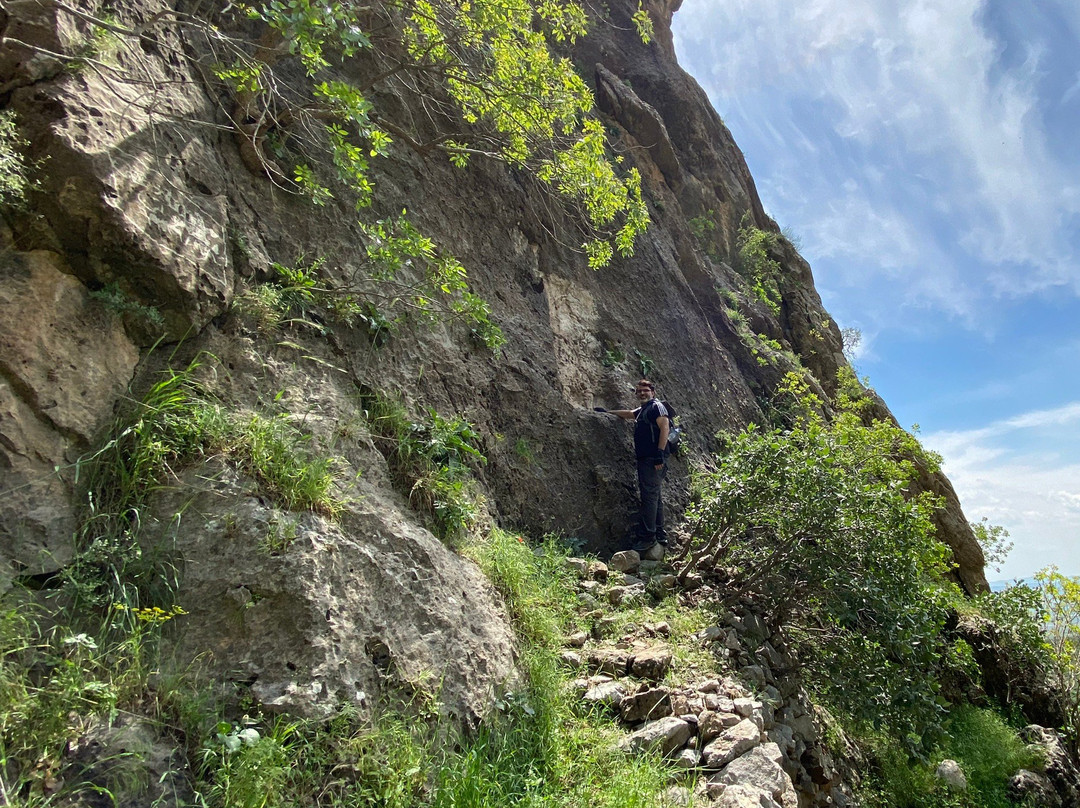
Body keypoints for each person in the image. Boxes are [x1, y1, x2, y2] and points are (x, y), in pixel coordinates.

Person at [595, 379, 670, 551]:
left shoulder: (656, 406)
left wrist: (659, 453)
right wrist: (607, 412)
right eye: (639, 391)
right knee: (655, 496)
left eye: (645, 390)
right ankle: (659, 533)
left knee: (649, 497)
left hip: (653, 459)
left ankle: (648, 537)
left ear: (653, 392)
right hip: (648, 459)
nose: (642, 393)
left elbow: (664, 426)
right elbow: (629, 413)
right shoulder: (644, 409)